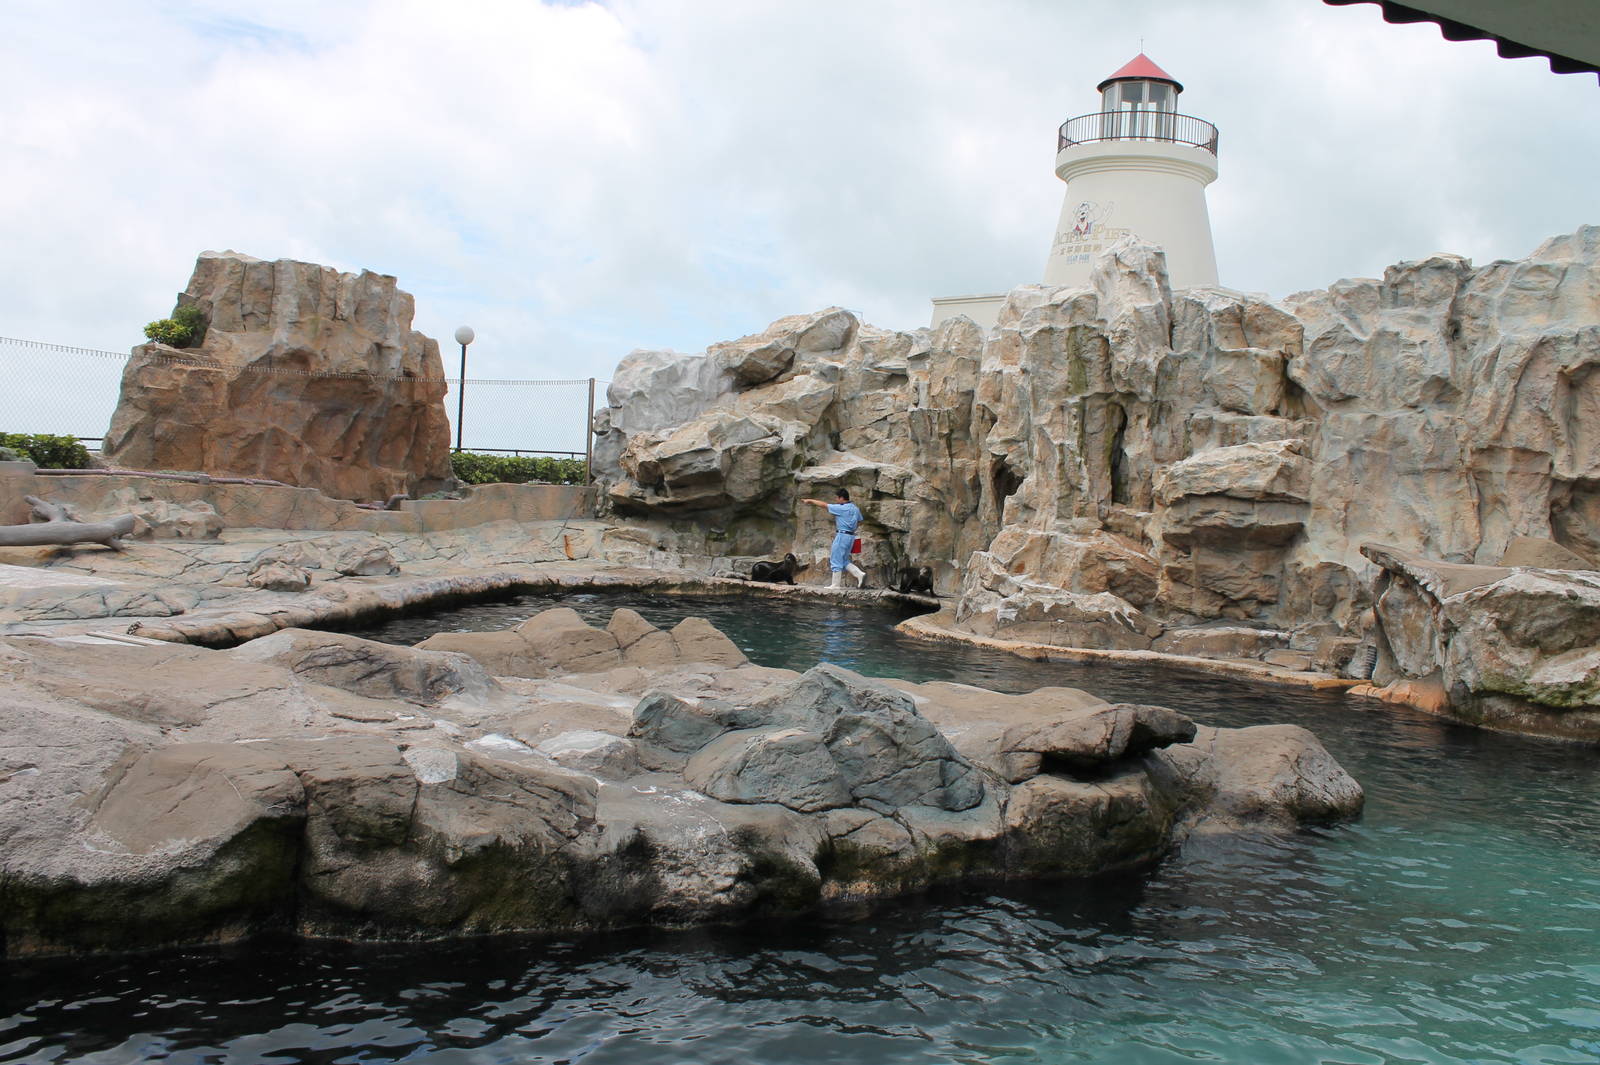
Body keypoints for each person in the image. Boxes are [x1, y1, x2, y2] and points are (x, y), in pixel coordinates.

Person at [801, 488, 866, 588]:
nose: (836, 500)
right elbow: (860, 521)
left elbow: (824, 505)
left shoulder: (841, 508)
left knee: (835, 558)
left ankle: (835, 585)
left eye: (837, 498)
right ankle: (859, 574)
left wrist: (810, 501)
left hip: (842, 535)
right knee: (844, 560)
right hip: (851, 536)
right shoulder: (855, 508)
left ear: (841, 498)